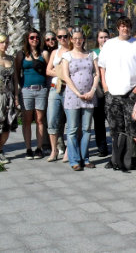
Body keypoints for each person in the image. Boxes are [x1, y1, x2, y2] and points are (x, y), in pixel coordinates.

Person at [98, 16, 136, 171]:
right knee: (115, 128)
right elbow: (102, 67)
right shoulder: (109, 44)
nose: (125, 28)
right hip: (112, 94)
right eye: (122, 26)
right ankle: (116, 158)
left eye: (127, 26)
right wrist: (105, 87)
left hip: (131, 93)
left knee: (134, 128)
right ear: (118, 28)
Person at [61, 28, 100, 171]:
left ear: (84, 39)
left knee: (86, 129)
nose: (78, 41)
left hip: (89, 96)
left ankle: (85, 157)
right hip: (73, 97)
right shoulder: (67, 56)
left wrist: (92, 90)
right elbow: (66, 76)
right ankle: (74, 160)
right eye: (75, 38)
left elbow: (96, 74)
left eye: (80, 38)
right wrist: (77, 92)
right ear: (71, 39)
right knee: (72, 129)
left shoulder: (91, 54)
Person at [15, 29, 49, 159]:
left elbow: (48, 71)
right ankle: (28, 148)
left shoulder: (43, 54)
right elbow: (17, 74)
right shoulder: (21, 54)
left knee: (40, 120)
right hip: (26, 90)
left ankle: (39, 148)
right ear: (27, 39)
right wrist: (17, 92)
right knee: (27, 120)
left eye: (37, 37)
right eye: (32, 37)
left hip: (41, 89)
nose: (35, 39)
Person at [45, 28, 70, 162]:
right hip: (55, 89)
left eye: (65, 36)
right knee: (52, 120)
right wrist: (62, 73)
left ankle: (68, 150)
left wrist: (60, 72)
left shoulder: (72, 52)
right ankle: (54, 150)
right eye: (59, 37)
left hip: (68, 89)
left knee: (70, 121)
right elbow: (48, 70)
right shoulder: (55, 52)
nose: (62, 39)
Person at [0, 33, 19, 165]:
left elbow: (15, 79)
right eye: (2, 42)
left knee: (8, 124)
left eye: (6, 42)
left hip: (9, 96)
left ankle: (0, 149)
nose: (4, 45)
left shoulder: (11, 59)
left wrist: (16, 96)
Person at [91, 29, 110, 157]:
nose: (104, 39)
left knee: (113, 120)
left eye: (106, 37)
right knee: (98, 121)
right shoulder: (93, 53)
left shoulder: (113, 52)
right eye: (101, 37)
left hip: (112, 90)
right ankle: (102, 147)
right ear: (97, 39)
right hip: (98, 91)